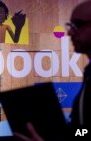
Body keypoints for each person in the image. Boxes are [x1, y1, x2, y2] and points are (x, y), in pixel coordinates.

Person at [15, 1, 91, 141]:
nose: (70, 32)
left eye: (78, 24)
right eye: (70, 25)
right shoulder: (89, 73)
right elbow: (82, 130)